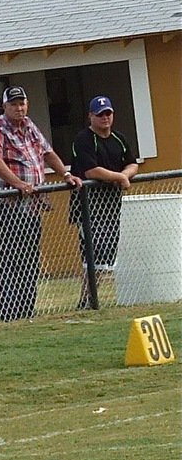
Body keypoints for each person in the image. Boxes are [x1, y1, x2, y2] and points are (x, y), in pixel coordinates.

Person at [0, 85, 83, 321]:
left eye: (22, 103)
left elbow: (48, 153)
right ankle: (6, 313)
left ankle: (26, 309)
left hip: (32, 205)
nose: (19, 108)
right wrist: (18, 184)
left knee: (29, 258)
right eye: (14, 104)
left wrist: (66, 174)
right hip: (4, 206)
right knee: (6, 259)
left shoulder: (29, 126)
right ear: (4, 106)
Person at [69, 94, 139, 304]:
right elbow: (91, 171)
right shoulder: (84, 139)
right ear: (91, 116)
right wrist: (119, 177)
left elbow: (132, 163)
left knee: (106, 253)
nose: (105, 118)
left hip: (111, 206)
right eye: (100, 114)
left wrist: (124, 175)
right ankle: (87, 300)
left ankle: (91, 298)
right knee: (94, 252)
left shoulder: (119, 139)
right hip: (88, 205)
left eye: (108, 113)